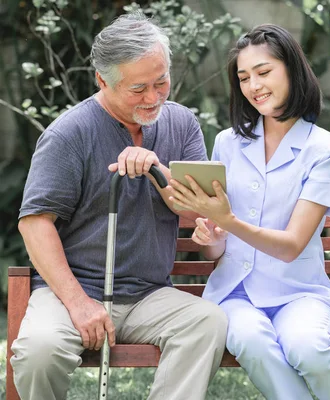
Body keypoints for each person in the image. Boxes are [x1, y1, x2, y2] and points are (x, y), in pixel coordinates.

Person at [11, 13, 228, 400]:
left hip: (148, 294)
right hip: (71, 292)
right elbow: (34, 224)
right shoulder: (68, 134)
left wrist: (159, 172)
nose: (153, 97)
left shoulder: (181, 124)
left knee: (206, 321)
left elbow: (201, 214)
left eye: (161, 82)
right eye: (138, 88)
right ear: (102, 81)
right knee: (38, 351)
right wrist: (79, 304)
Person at [168, 24, 330, 400]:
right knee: (252, 342)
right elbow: (216, 248)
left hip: (299, 293)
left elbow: (291, 246)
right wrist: (213, 237)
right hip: (234, 296)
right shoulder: (227, 142)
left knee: (308, 349)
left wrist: (228, 221)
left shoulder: (329, 150)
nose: (253, 86)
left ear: (291, 69)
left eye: (264, 72)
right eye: (243, 77)